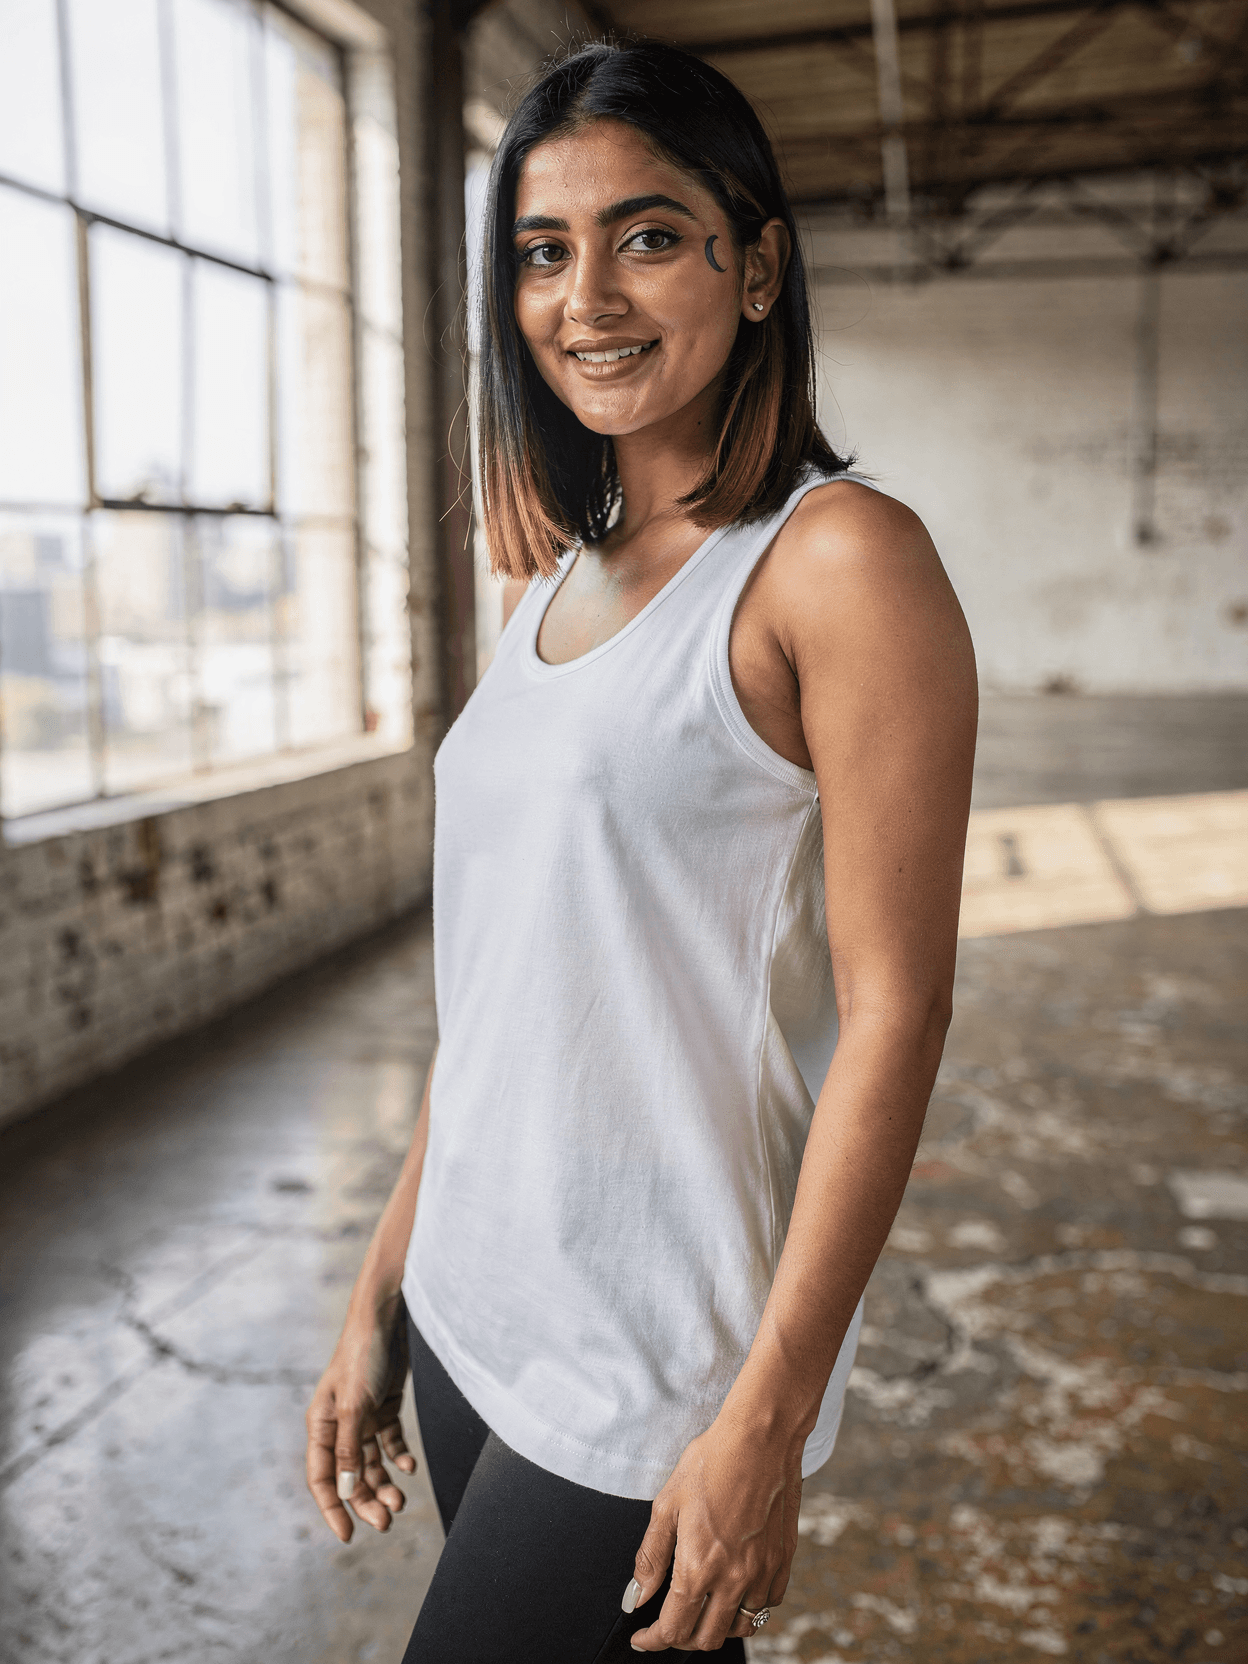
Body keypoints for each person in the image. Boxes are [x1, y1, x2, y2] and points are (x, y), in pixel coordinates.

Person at [305, 38, 976, 1663]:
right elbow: (503, 990)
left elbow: (899, 1015)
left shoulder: (840, 564)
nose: (585, 296)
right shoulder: (557, 573)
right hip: (476, 1307)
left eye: (649, 235)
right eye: (543, 250)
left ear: (754, 265)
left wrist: (768, 1412)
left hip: (653, 1359)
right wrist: (378, 1292)